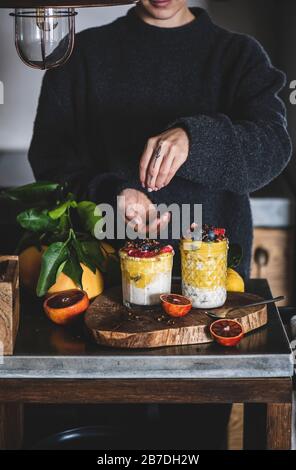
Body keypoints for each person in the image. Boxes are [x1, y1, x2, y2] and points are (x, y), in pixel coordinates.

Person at [28, 0, 292, 449]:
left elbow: (273, 148)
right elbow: (50, 162)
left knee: (194, 438)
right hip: (102, 292)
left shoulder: (238, 56)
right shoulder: (83, 54)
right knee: (104, 437)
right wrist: (111, 193)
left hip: (209, 296)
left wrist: (197, 137)